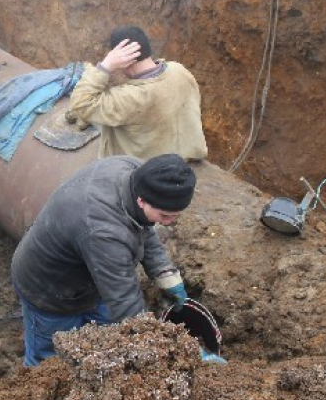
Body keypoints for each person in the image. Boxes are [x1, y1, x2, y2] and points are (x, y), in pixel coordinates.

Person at [11, 153, 194, 367]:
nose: (170, 222)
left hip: (93, 281)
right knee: (50, 364)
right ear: (141, 200)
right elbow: (124, 302)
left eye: (175, 215)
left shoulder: (133, 172)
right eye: (165, 216)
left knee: (109, 343)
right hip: (50, 290)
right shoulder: (103, 231)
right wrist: (177, 353)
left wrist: (164, 273)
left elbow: (142, 224)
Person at [68, 25, 207, 161]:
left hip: (148, 169)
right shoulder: (179, 70)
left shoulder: (129, 97)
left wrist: (106, 66)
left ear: (123, 59)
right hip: (186, 153)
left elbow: (80, 104)